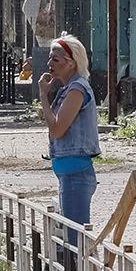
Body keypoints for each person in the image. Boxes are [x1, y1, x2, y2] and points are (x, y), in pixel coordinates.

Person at [35, 33, 100, 240]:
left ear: (71, 63)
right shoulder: (67, 89)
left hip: (76, 175)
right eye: (50, 58)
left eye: (55, 59)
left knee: (75, 240)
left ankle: (85, 263)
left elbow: (57, 129)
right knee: (70, 238)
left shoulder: (77, 89)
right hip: (69, 174)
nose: (49, 64)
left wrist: (43, 95)